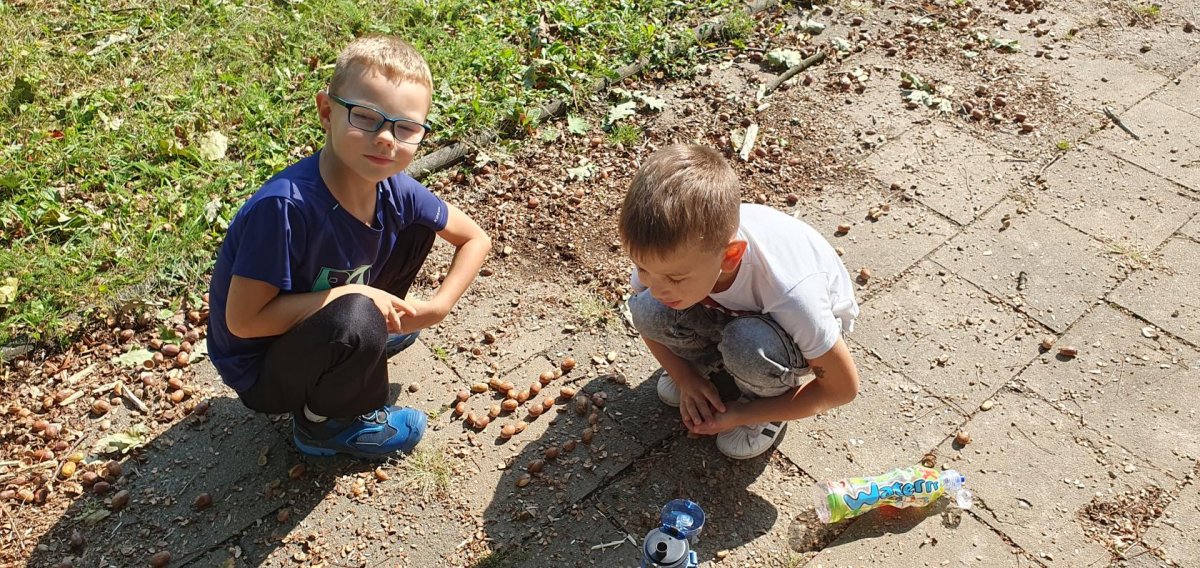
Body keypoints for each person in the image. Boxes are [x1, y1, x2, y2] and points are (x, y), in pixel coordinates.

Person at [206, 36, 491, 459]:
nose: (386, 138)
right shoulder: (284, 208)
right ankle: (326, 424)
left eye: (406, 127)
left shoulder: (394, 189)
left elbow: (475, 238)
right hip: (264, 370)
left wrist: (438, 307)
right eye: (366, 117)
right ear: (327, 112)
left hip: (321, 324)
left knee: (417, 229)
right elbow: (244, 323)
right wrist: (352, 295)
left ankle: (361, 340)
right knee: (357, 312)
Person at [619, 144, 860, 460]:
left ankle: (768, 404)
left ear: (730, 256)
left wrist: (742, 415)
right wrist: (685, 377)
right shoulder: (671, 259)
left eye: (675, 278)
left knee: (746, 345)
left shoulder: (791, 293)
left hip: (787, 331)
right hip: (732, 308)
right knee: (649, 309)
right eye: (642, 268)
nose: (657, 286)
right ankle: (706, 366)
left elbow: (842, 389)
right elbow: (643, 315)